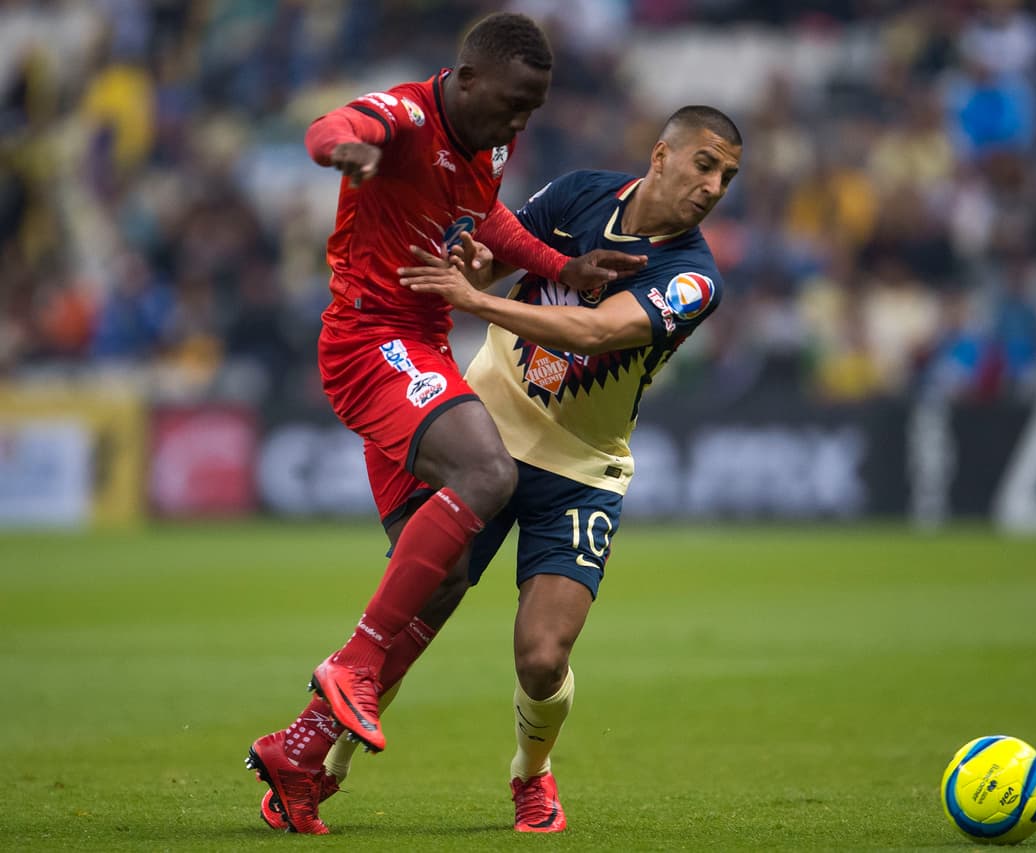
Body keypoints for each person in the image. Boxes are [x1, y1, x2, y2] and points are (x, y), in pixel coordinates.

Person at [260, 104, 742, 833]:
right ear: (661, 155)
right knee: (418, 605)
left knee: (544, 656)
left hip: (582, 468)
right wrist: (478, 268)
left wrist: (475, 299)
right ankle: (316, 760)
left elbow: (600, 327)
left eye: (728, 177)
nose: (713, 186)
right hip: (482, 430)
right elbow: (498, 247)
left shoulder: (694, 276)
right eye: (705, 164)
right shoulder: (580, 192)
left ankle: (531, 773)